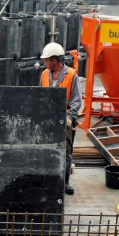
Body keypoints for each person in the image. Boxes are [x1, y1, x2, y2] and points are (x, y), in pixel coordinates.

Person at [39, 42, 81, 195]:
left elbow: (76, 100)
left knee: (65, 153)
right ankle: (49, 180)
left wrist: (70, 117)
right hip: (48, 121)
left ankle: (65, 183)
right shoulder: (44, 74)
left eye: (47, 60)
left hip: (65, 121)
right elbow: (40, 97)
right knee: (47, 150)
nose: (45, 62)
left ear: (55, 60)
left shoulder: (71, 75)